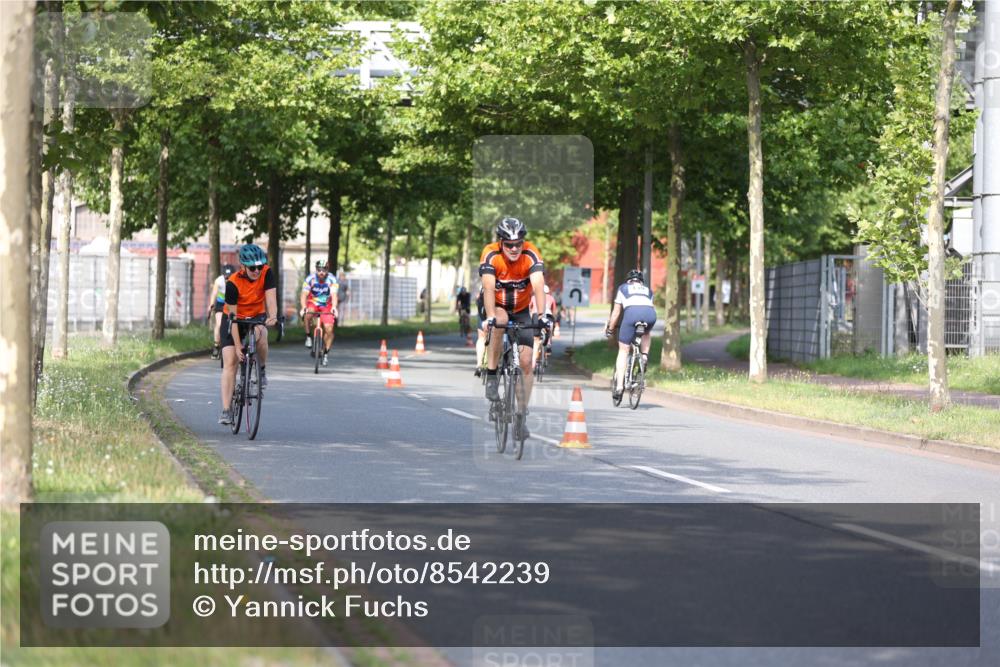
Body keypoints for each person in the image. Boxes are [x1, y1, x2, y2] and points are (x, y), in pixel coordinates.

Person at [480, 217, 553, 440]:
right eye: (509, 244)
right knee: (499, 321)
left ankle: (521, 417)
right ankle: (492, 375)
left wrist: (543, 316)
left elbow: (539, 284)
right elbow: (488, 288)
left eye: (518, 244)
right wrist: (491, 317)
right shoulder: (491, 253)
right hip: (498, 306)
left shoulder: (531, 254)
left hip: (521, 309)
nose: (514, 248)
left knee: (526, 362)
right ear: (500, 242)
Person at [219, 244, 277, 425]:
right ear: (243, 266)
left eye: (259, 266)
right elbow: (233, 318)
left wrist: (273, 316)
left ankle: (261, 370)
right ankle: (227, 410)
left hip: (256, 316)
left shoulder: (267, 273)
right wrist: (237, 347)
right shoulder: (233, 284)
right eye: (252, 267)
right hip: (234, 319)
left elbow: (271, 299)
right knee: (230, 362)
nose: (257, 271)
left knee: (262, 334)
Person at [604, 269, 657, 402]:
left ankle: (620, 387)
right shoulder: (648, 290)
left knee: (623, 350)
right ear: (641, 282)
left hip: (632, 314)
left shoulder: (623, 288)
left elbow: (616, 312)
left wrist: (610, 329)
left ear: (628, 280)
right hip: (650, 315)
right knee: (646, 333)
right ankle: (644, 357)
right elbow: (650, 307)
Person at [300, 260, 338, 366]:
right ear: (316, 270)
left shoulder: (332, 279)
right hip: (313, 303)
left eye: (324, 270)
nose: (321, 272)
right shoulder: (310, 279)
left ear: (327, 270)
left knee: (329, 329)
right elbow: (304, 294)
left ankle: (325, 353)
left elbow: (334, 295)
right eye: (319, 270)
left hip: (327, 305)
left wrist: (334, 307)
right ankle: (308, 336)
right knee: (307, 314)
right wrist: (303, 307)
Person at [207, 264, 236, 360]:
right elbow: (214, 293)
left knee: (235, 323)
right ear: (223, 275)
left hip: (232, 304)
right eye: (226, 277)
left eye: (230, 277)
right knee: (219, 324)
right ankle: (216, 347)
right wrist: (211, 305)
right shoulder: (218, 281)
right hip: (221, 304)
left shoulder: (237, 280)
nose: (228, 279)